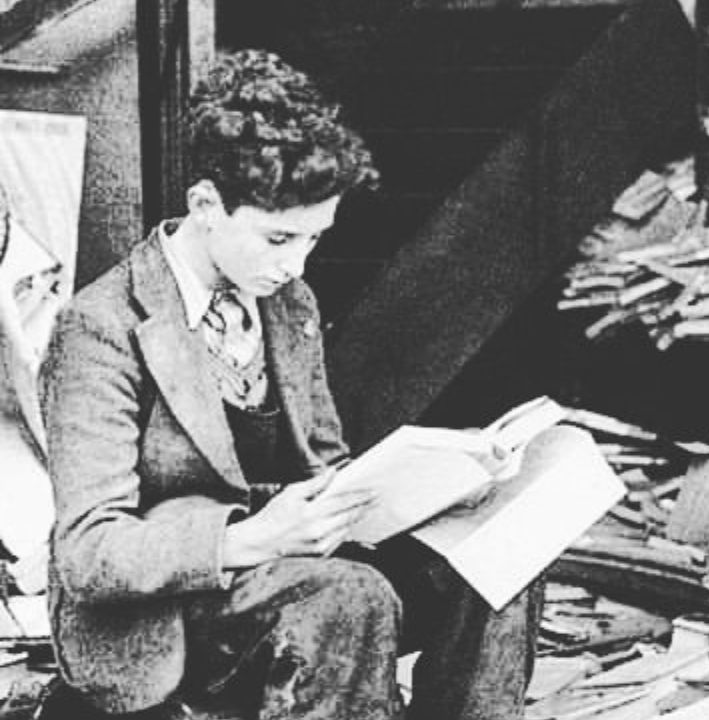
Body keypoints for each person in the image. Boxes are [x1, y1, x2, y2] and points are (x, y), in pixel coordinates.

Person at [40, 49, 540, 720]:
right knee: (349, 594)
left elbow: (326, 466)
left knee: (505, 555)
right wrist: (253, 539)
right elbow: (88, 551)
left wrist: (444, 486)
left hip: (300, 567)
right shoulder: (99, 326)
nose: (295, 265)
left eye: (313, 239)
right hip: (174, 614)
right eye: (279, 238)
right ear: (206, 204)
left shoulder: (287, 302)